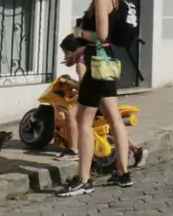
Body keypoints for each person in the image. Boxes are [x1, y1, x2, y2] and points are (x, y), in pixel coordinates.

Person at [57, 0, 139, 197]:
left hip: (98, 66)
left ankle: (83, 179)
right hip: (104, 61)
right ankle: (123, 174)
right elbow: (105, 42)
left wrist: (80, 33)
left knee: (83, 120)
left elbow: (102, 36)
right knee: (114, 118)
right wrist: (79, 52)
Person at [55, 34, 148, 168]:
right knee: (113, 125)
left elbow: (83, 85)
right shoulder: (93, 54)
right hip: (104, 93)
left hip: (93, 99)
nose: (65, 57)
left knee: (70, 113)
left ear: (77, 49)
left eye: (67, 53)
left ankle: (73, 149)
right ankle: (136, 149)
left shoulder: (80, 63)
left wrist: (69, 82)